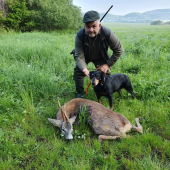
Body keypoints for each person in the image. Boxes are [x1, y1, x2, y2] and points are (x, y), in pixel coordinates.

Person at [73, 10, 124, 98]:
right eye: (88, 27)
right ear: (84, 26)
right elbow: (79, 56)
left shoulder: (107, 33)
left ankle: (105, 90)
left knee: (106, 74)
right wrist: (84, 69)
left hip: (100, 56)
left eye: (94, 26)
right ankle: (80, 93)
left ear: (99, 25)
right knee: (78, 71)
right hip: (85, 56)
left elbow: (119, 50)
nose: (91, 30)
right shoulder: (80, 35)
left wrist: (107, 65)